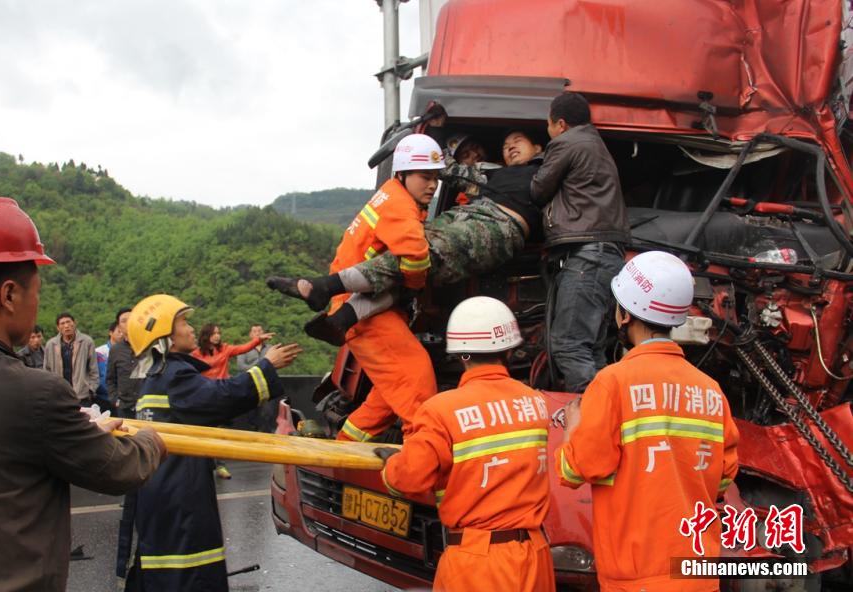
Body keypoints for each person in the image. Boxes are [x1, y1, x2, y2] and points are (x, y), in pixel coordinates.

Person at [0, 197, 165, 591]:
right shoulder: (36, 393)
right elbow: (120, 468)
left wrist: (77, 432)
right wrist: (153, 439)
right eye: (36, 291)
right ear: (9, 294)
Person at [554, 251, 739, 592]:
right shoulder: (711, 392)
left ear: (623, 315)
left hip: (638, 578)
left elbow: (575, 470)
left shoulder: (613, 383)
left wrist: (572, 428)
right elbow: (721, 481)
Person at [268, 126, 545, 347]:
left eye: (518, 140)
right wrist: (428, 134)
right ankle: (340, 321)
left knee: (423, 255)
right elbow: (449, 170)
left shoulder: (544, 172)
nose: (510, 146)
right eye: (506, 144)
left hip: (499, 224)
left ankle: (323, 287)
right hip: (466, 216)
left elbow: (577, 158)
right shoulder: (492, 175)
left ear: (539, 148)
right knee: (406, 267)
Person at [116, 294, 302, 591]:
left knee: (163, 566)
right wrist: (266, 366)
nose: (191, 329)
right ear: (166, 338)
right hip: (179, 497)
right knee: (191, 570)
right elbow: (221, 397)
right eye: (184, 323)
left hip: (159, 492)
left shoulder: (155, 378)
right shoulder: (175, 376)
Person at [376, 297, 554, 592]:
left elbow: (408, 478)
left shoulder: (440, 411)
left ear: (460, 355)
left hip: (477, 562)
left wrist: (389, 465)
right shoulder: (535, 401)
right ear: (509, 349)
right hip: (536, 555)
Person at [276, 133, 443, 442]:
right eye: (425, 176)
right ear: (403, 173)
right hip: (363, 311)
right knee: (416, 379)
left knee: (389, 395)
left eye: (436, 178)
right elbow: (416, 257)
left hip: (356, 307)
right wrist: (415, 285)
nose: (432, 185)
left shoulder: (391, 195)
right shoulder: (399, 205)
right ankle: (425, 465)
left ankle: (344, 450)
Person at [531, 91, 631, 392]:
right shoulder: (596, 144)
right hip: (606, 256)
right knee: (593, 349)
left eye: (548, 125)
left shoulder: (567, 142)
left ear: (560, 124)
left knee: (569, 345)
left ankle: (595, 422)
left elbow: (538, 189)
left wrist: (532, 164)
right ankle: (611, 419)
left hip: (587, 256)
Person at [43, 312, 100, 405]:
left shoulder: (86, 342)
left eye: (68, 322)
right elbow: (46, 370)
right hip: (58, 394)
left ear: (74, 323)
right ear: (58, 327)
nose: (66, 326)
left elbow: (93, 369)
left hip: (82, 395)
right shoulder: (51, 345)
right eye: (62, 323)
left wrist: (91, 389)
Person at [192, 323, 274, 379]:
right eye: (213, 334)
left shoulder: (224, 348)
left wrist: (258, 339)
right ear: (206, 335)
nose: (217, 336)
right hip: (206, 388)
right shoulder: (196, 353)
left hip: (222, 387)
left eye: (218, 333)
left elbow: (244, 348)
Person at [107, 307, 141, 419]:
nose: (128, 323)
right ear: (119, 327)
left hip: (145, 405)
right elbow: (110, 379)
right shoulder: (115, 350)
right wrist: (115, 399)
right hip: (124, 407)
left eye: (131, 319)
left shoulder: (147, 345)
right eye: (124, 321)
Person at [95, 320, 123, 411]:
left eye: (123, 331)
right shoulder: (99, 352)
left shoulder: (127, 352)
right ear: (111, 332)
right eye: (119, 331)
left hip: (122, 399)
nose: (122, 334)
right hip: (103, 398)